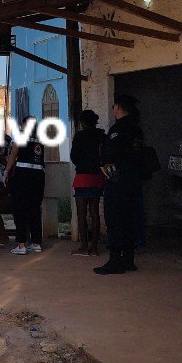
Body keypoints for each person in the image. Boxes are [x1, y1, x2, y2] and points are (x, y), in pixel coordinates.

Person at [94, 96, 144, 275]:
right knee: (129, 220)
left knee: (114, 221)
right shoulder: (137, 130)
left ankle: (115, 261)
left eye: (114, 106)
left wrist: (103, 164)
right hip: (133, 182)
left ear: (118, 108)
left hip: (117, 182)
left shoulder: (118, 129)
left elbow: (108, 155)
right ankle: (129, 260)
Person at [70, 109, 106, 256]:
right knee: (95, 213)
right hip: (97, 176)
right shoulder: (102, 136)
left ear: (82, 122)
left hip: (83, 176)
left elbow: (74, 157)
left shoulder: (79, 136)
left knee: (81, 213)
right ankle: (95, 248)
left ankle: (84, 246)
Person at [9, 116, 46, 256]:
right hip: (38, 177)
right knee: (35, 209)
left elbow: (13, 154)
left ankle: (21, 244)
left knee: (20, 209)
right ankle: (36, 243)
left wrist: (6, 171)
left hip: (22, 177)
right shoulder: (40, 137)